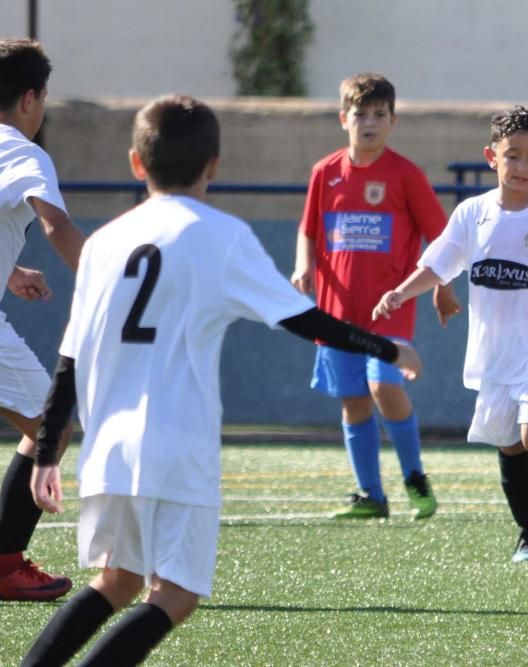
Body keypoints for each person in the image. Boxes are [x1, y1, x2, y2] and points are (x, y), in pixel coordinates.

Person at [19, 95, 422, 667]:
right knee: (175, 595)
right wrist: (386, 345)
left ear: (137, 163)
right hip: (176, 447)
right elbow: (301, 319)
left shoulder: (106, 242)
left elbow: (69, 361)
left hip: (107, 448)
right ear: (215, 164)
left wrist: (44, 457)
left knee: (116, 581)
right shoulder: (220, 235)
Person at [373, 107, 528, 561]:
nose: (522, 167)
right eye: (512, 156)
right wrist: (401, 293)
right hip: (493, 354)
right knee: (510, 443)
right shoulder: (471, 213)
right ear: (491, 157)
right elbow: (438, 264)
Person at [292, 72, 458, 520]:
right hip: (336, 312)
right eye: (360, 114)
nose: (369, 122)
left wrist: (443, 287)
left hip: (390, 308)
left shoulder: (405, 175)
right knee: (354, 400)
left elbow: (441, 238)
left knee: (383, 384)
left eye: (379, 115)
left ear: (393, 121)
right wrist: (303, 265)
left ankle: (414, 477)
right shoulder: (325, 173)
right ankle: (371, 495)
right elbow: (309, 231)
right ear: (343, 118)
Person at [0, 38, 85, 602]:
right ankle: (5, 564)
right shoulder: (25, 152)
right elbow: (54, 224)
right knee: (51, 424)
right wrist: (112, 285)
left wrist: (8, 273)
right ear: (31, 98)